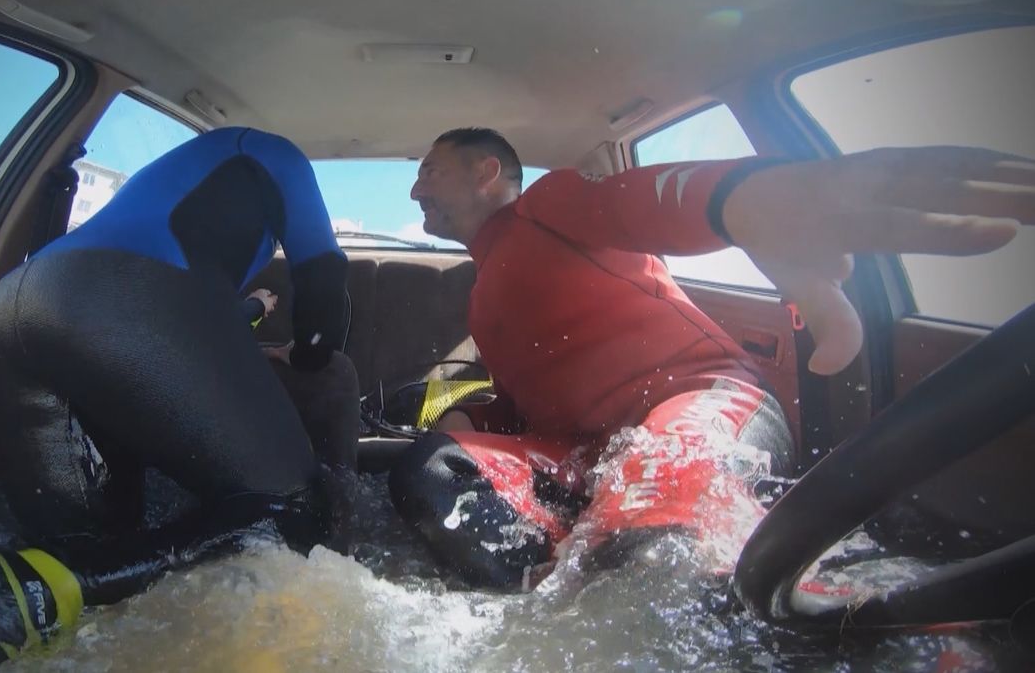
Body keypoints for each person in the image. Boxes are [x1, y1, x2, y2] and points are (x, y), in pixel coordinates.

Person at [388, 128, 1035, 590]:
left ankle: (692, 581)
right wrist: (474, 421)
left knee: (648, 553)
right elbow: (529, 397)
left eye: (429, 169)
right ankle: (556, 595)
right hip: (587, 446)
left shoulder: (548, 208)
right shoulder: (482, 297)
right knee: (433, 471)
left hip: (700, 397)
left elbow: (627, 200)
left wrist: (741, 196)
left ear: (485, 173)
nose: (416, 187)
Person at [0, 126, 363, 670]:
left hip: (15, 306)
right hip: (121, 300)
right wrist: (310, 356)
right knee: (300, 521)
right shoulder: (273, 151)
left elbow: (184, 332)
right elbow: (323, 290)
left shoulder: (184, 184)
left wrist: (244, 315)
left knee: (103, 549)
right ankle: (4, 594)